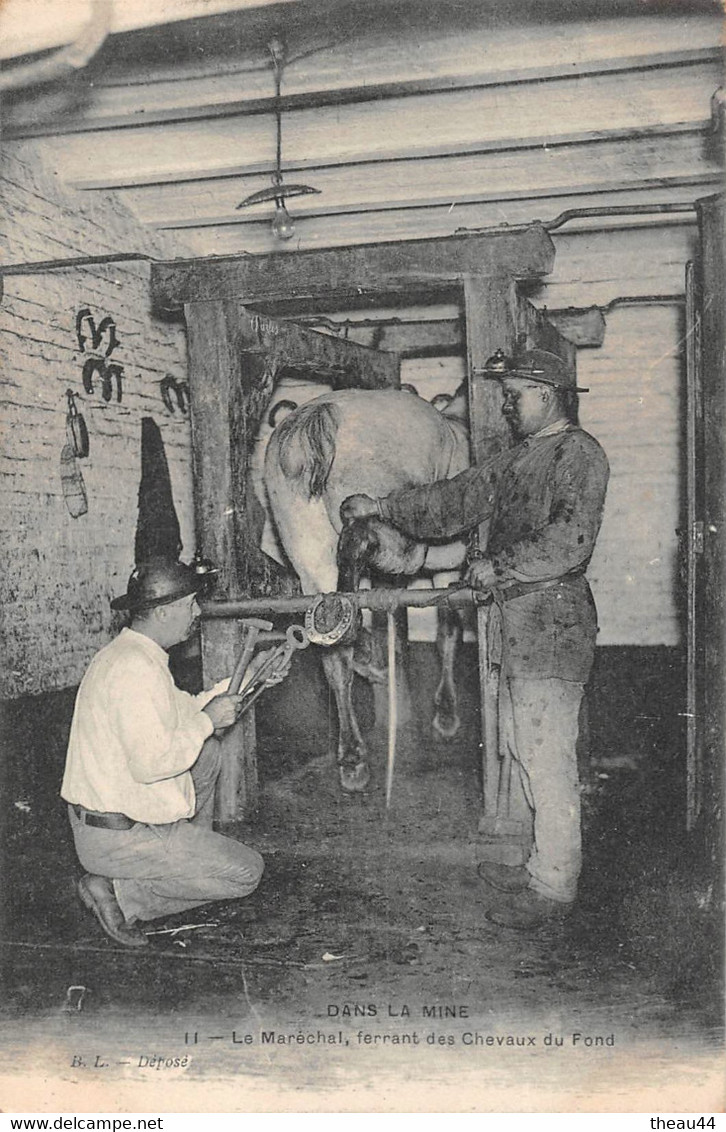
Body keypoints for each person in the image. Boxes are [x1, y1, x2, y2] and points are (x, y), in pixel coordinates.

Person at [341, 348, 609, 929]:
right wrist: (382, 505)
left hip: (551, 625)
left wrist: (499, 565)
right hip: (518, 627)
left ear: (549, 393)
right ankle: (541, 862)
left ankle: (554, 887)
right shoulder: (519, 460)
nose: (508, 406)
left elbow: (571, 538)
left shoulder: (579, 455)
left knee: (547, 756)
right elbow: (453, 500)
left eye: (516, 395)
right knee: (523, 745)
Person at [61, 557, 289, 948]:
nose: (197, 613)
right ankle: (118, 894)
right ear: (165, 612)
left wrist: (253, 674)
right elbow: (152, 764)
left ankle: (185, 857)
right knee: (247, 872)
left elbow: (191, 709)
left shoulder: (133, 654)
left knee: (208, 753)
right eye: (190, 605)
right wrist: (207, 721)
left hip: (113, 817)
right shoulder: (135, 670)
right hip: (119, 836)